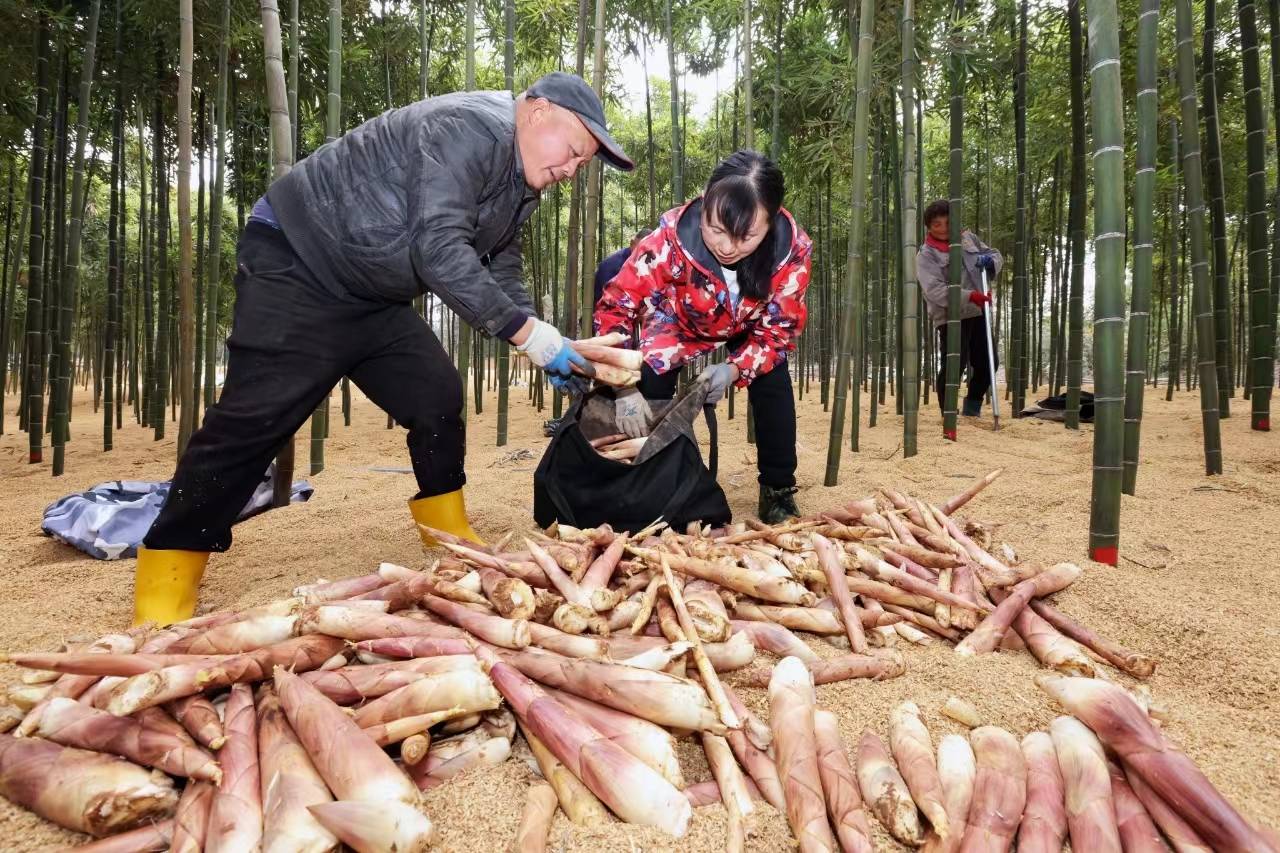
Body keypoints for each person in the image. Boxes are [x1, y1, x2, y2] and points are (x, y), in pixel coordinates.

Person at [133, 72, 633, 626]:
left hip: (371, 293)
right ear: (538, 112)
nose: (571, 169)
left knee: (435, 394)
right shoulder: (466, 129)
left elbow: (500, 264)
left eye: (581, 165)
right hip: (299, 260)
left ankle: (446, 532)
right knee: (255, 420)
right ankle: (168, 574)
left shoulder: (521, 183)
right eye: (573, 151)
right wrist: (531, 337)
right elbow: (439, 248)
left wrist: (546, 336)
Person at [594, 150, 811, 524]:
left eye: (747, 236)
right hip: (677, 319)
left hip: (749, 323)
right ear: (705, 202)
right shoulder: (667, 241)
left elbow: (779, 332)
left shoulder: (791, 251)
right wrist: (623, 389)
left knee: (772, 380)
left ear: (771, 221)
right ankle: (654, 482)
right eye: (716, 230)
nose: (728, 247)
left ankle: (777, 489)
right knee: (650, 385)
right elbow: (616, 309)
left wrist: (733, 369)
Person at [915, 199, 1003, 418]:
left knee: (988, 362)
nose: (944, 228)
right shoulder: (926, 254)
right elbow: (934, 290)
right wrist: (969, 296)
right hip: (950, 315)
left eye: (948, 222)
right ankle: (948, 414)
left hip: (977, 310)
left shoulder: (968, 238)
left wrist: (991, 262)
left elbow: (994, 253)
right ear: (929, 227)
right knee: (954, 364)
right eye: (938, 224)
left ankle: (973, 405)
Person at [593, 230, 650, 305]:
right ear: (632, 244)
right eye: (641, 249)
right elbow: (605, 299)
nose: (644, 254)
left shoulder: (647, 263)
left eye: (647, 251)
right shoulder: (612, 265)